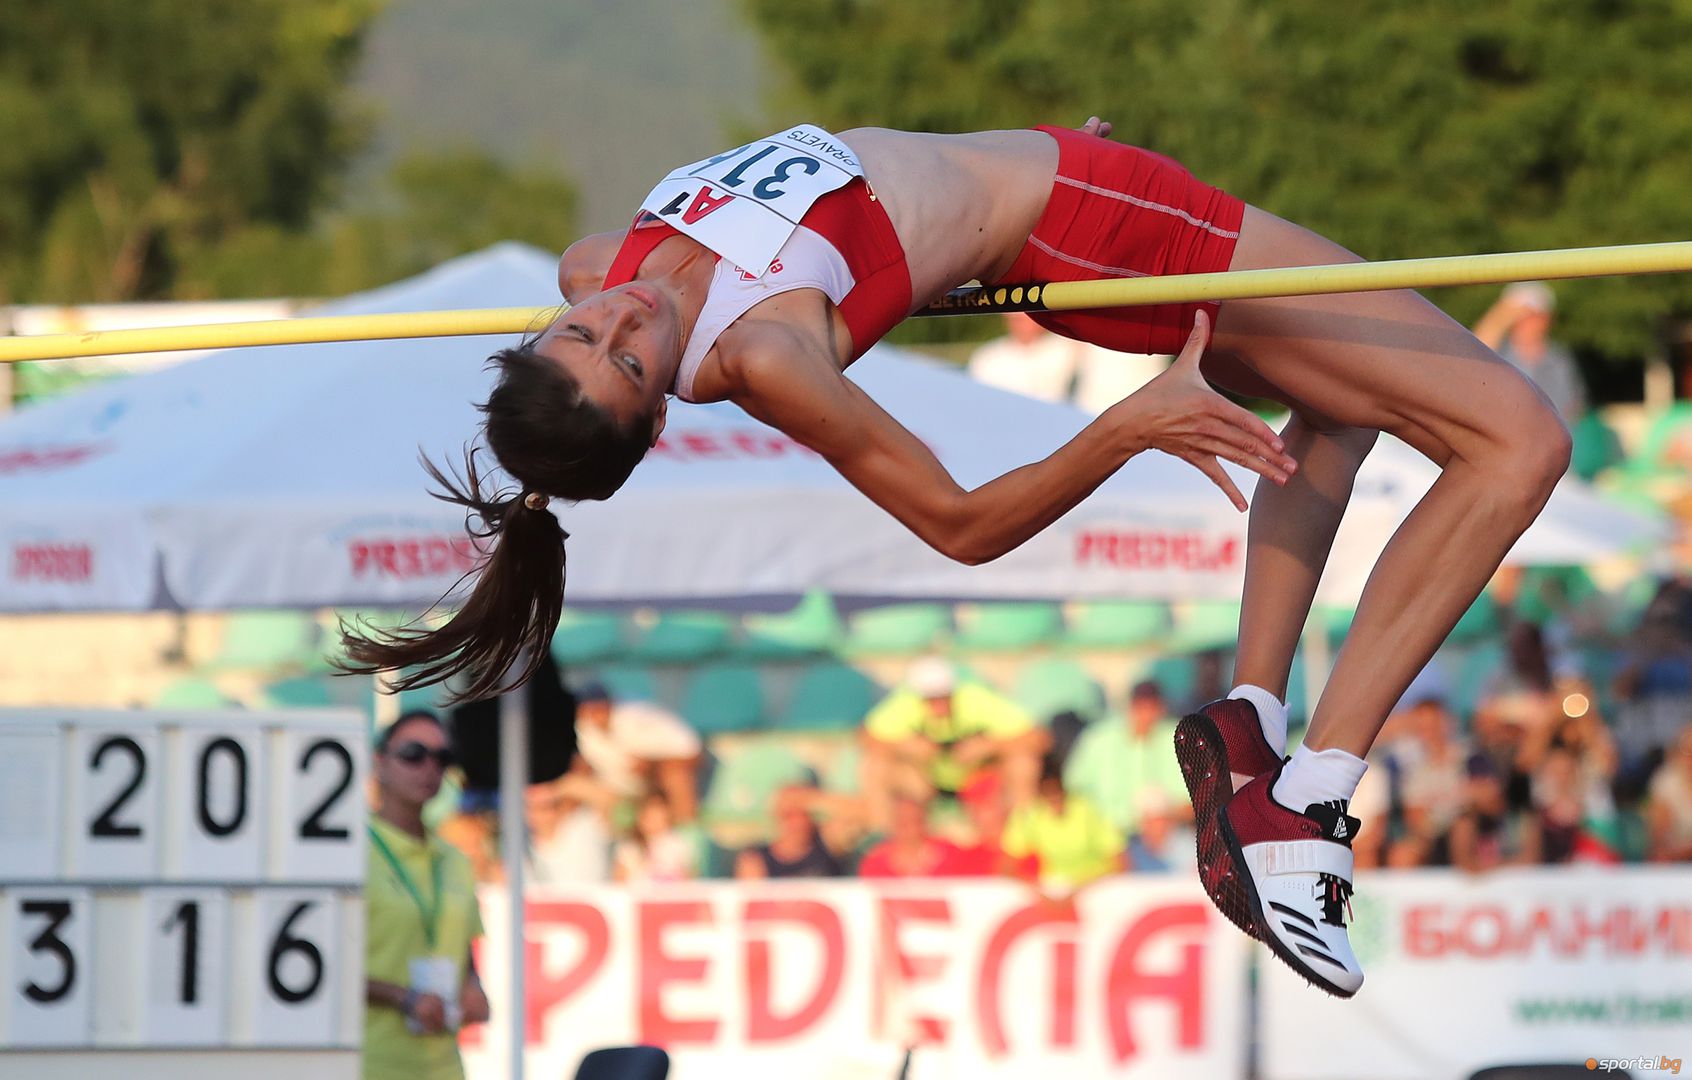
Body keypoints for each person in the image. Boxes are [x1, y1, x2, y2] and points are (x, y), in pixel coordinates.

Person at [342, 116, 1573, 998]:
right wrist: (1125, 426)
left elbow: (882, 183)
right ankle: (1310, 802)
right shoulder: (767, 356)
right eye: (625, 364)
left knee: (1342, 410)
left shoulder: (593, 262)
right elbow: (963, 525)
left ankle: (1252, 722)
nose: (623, 320)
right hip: (1097, 225)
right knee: (1518, 441)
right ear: (661, 414)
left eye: (585, 331)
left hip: (1068, 180)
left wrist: (986, 178)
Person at [364, 711, 490, 1080]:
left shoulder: (454, 859)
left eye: (442, 758)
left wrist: (473, 987)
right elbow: (324, 967)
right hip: (371, 1063)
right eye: (414, 754)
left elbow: (461, 947)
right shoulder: (351, 851)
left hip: (443, 1066)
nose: (429, 767)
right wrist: (401, 997)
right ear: (380, 762)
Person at [860, 655, 1046, 828]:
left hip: (977, 779)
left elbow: (1038, 738)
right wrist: (905, 747)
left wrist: (988, 746)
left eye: (943, 696)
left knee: (1023, 762)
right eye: (931, 698)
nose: (938, 704)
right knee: (876, 766)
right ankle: (881, 837)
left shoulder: (976, 699)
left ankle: (1023, 832)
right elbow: (867, 737)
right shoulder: (905, 704)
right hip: (927, 782)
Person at [1063, 678, 1193, 839]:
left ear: (1161, 708)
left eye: (1151, 707)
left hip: (1166, 837)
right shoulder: (1098, 739)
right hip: (1108, 836)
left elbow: (1195, 802)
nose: (1145, 714)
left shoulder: (1180, 738)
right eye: (1140, 707)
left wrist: (1165, 816)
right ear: (1130, 707)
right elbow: (1074, 790)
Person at [568, 680, 703, 823]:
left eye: (596, 707)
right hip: (618, 790)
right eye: (586, 708)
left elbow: (693, 752)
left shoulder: (636, 715)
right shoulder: (581, 727)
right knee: (566, 785)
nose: (592, 713)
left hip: (654, 784)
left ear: (608, 703)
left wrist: (652, 765)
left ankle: (687, 829)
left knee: (676, 776)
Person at [1000, 755, 1126, 895]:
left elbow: (1120, 862)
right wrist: (1036, 890)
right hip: (1053, 888)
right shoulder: (1030, 814)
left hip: (1096, 888)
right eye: (1047, 796)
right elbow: (1006, 865)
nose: (1055, 804)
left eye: (1057, 795)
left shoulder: (1088, 810)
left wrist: (1081, 889)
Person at [1473, 281, 1588, 424]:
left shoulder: (1558, 359)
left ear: (1547, 318)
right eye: (1521, 315)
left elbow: (1571, 407)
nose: (1528, 321)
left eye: (1533, 315)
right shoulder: (1497, 354)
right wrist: (1500, 317)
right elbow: (1473, 356)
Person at [735, 784, 846, 879]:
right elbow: (751, 897)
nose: (796, 822)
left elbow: (857, 816)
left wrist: (813, 799)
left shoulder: (828, 847)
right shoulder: (756, 859)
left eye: (802, 813)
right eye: (788, 814)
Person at [967, 311, 1080, 403]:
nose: (1023, 325)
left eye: (1027, 319)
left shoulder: (1069, 349)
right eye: (1017, 320)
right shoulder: (987, 357)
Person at [857, 793, 969, 878]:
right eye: (903, 822)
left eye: (914, 821)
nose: (909, 828)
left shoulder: (950, 853)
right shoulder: (876, 864)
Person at [614, 790, 700, 883]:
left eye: (656, 813)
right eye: (647, 814)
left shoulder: (679, 845)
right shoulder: (629, 847)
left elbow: (690, 881)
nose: (652, 819)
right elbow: (619, 883)